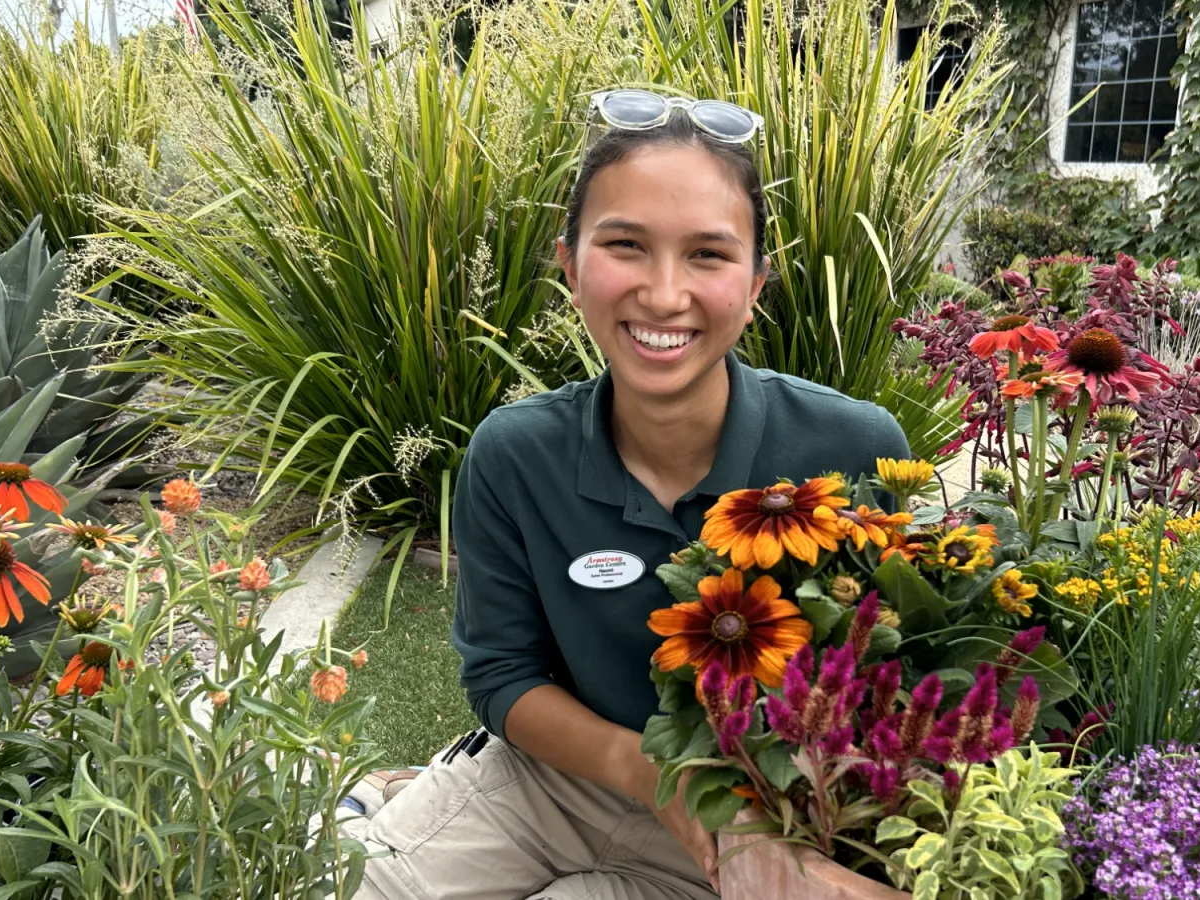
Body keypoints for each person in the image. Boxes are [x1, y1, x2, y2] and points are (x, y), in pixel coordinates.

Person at [338, 89, 911, 900]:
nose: (664, 293)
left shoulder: (854, 452)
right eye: (626, 245)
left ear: (756, 284)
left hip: (750, 815)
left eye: (709, 255)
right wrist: (650, 773)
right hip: (559, 778)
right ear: (570, 265)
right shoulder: (514, 453)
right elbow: (502, 674)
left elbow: (900, 680)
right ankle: (401, 802)